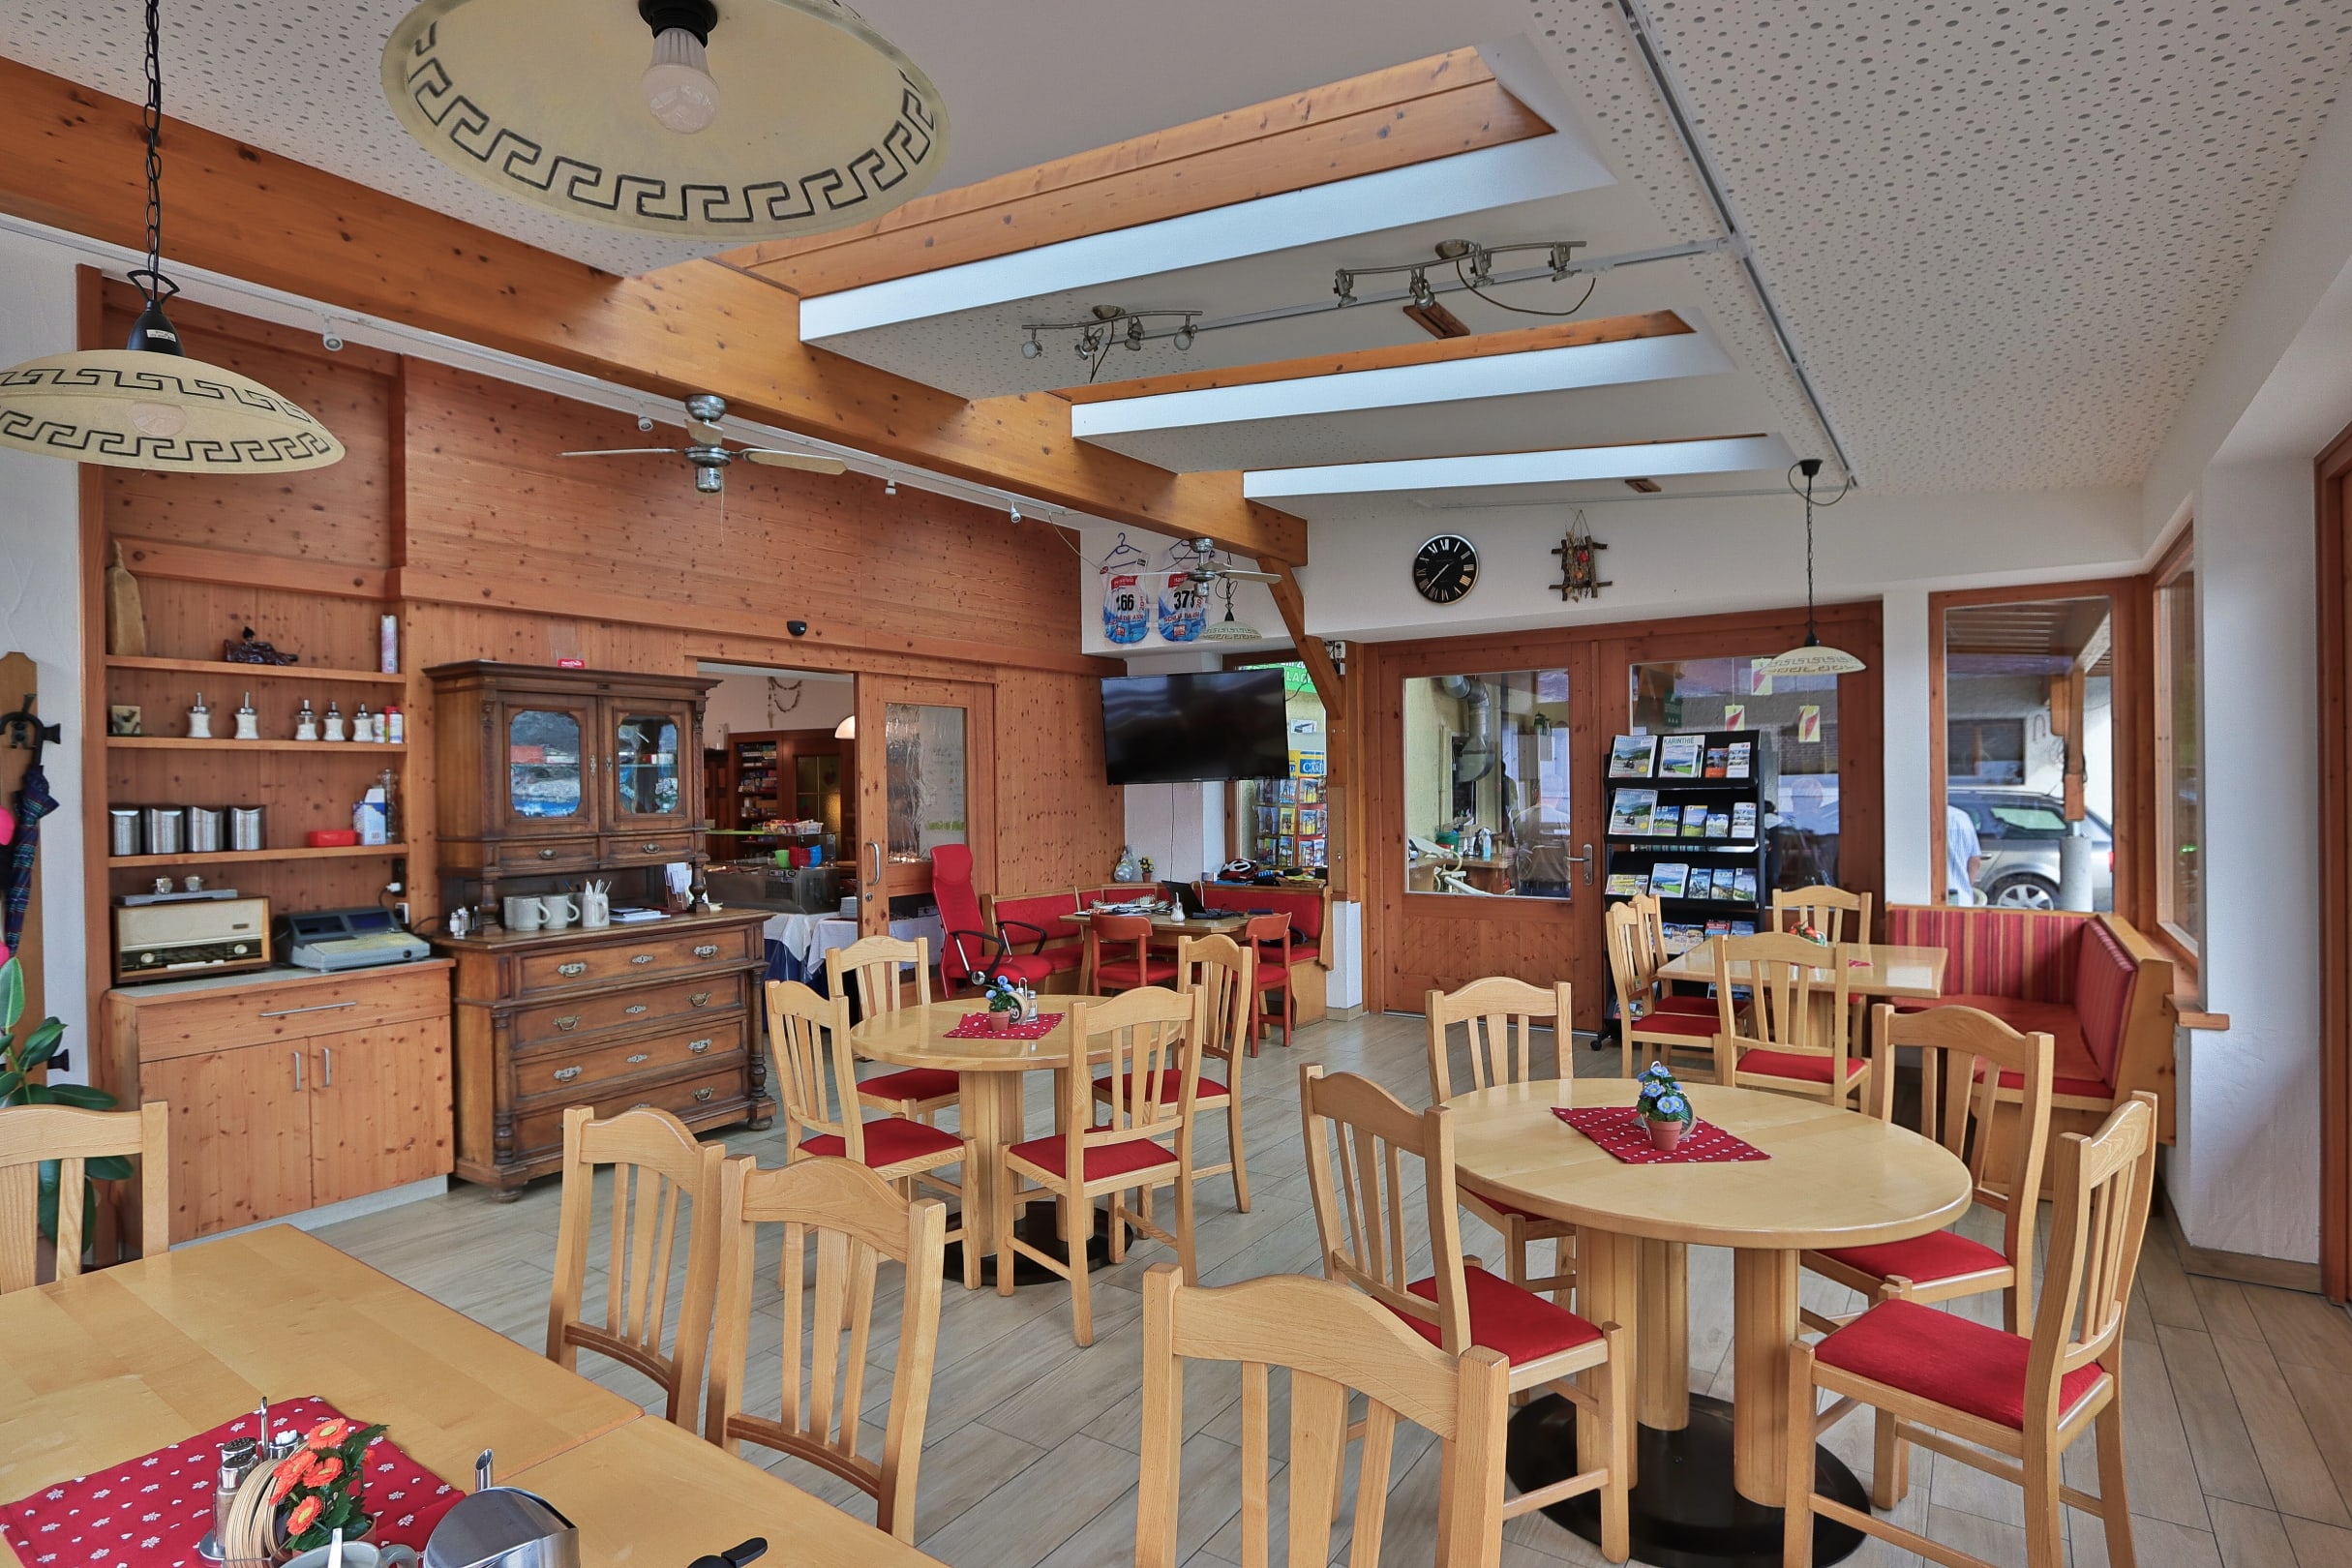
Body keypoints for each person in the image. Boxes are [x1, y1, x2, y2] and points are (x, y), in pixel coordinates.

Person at [1945, 802, 1983, 904]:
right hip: (1960, 898)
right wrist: (1966, 885)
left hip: (1921, 902)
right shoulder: (1961, 817)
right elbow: (1975, 861)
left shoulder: (1917, 816)